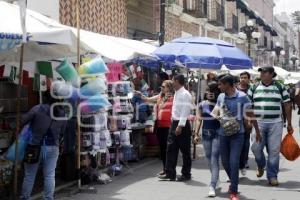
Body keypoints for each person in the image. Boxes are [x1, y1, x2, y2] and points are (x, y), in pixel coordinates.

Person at [211, 74, 261, 200]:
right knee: (225, 162)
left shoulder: (243, 97)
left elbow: (250, 113)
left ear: (228, 84)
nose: (219, 86)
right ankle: (234, 180)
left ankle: (233, 190)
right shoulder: (221, 96)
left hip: (238, 135)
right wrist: (213, 113)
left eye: (221, 84)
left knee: (234, 162)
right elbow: (215, 111)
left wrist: (257, 131)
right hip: (223, 134)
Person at [249, 66, 293, 186]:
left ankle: (272, 176)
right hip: (258, 123)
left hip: (276, 123)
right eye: (261, 72)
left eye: (264, 72)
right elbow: (248, 105)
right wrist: (248, 121)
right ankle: (261, 164)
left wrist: (289, 123)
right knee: (255, 148)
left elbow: (287, 104)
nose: (262, 74)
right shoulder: (254, 87)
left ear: (271, 74)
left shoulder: (279, 86)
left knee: (274, 151)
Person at [20, 91, 67, 200]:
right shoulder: (62, 112)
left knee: (29, 175)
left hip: (34, 147)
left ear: (44, 98)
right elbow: (62, 131)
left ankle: (25, 197)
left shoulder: (37, 108)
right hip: (53, 147)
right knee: (50, 175)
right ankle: (48, 198)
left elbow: (22, 120)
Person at [159, 74, 192, 182]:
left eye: (172, 80)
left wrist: (180, 125)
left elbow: (185, 110)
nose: (171, 82)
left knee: (185, 150)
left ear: (177, 81)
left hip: (181, 124)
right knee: (170, 149)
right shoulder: (176, 93)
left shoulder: (185, 94)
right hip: (174, 123)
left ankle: (186, 173)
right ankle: (170, 173)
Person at [194, 81, 221, 197]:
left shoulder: (220, 103)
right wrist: (196, 134)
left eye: (211, 90)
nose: (209, 92)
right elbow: (199, 119)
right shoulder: (201, 104)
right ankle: (216, 178)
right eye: (207, 90)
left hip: (218, 133)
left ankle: (212, 185)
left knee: (214, 159)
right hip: (205, 134)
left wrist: (220, 116)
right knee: (209, 158)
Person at [142, 80, 174, 176]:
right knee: (163, 149)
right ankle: (165, 168)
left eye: (164, 86)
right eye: (161, 86)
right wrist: (140, 95)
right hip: (160, 125)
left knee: (168, 149)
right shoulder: (160, 96)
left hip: (169, 126)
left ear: (169, 87)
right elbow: (147, 99)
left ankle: (169, 169)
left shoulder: (173, 97)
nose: (162, 88)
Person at [237, 71, 252, 175]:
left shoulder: (252, 90)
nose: (243, 79)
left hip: (248, 118)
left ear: (248, 79)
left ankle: (244, 160)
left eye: (245, 77)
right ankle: (238, 161)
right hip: (236, 118)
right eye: (241, 77)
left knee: (246, 141)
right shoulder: (235, 89)